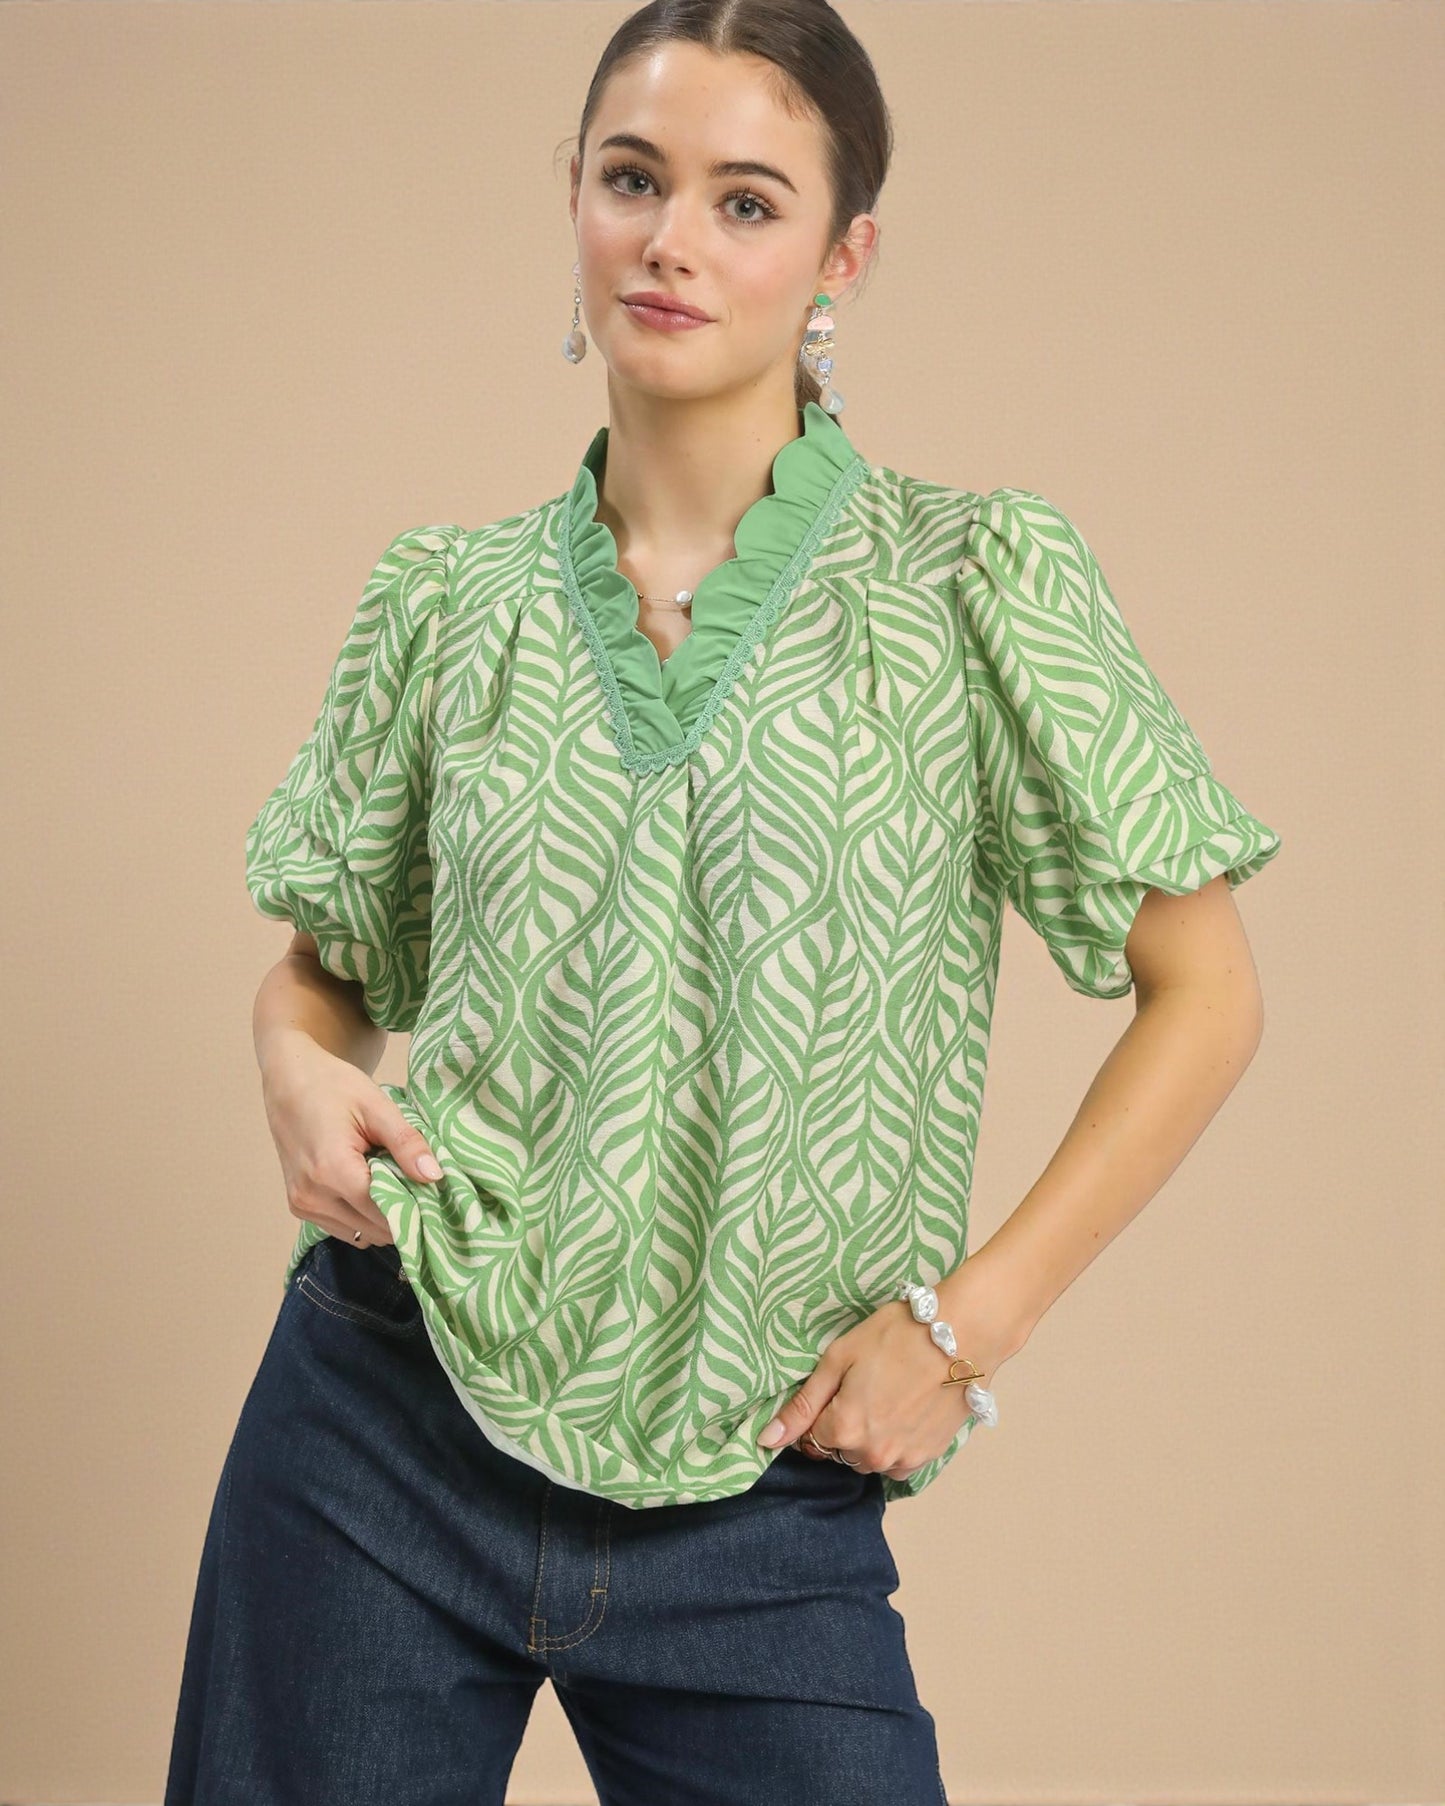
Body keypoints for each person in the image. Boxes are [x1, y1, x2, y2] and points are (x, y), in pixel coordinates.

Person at [164, 3, 1283, 1801]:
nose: (672, 239)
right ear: (581, 208)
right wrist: (289, 1063)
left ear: (842, 255)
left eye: (744, 201)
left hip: (759, 1485)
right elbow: (316, 984)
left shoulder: (972, 581)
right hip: (381, 1424)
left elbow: (1207, 993)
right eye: (632, 179)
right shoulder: (444, 606)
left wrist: (961, 1327)